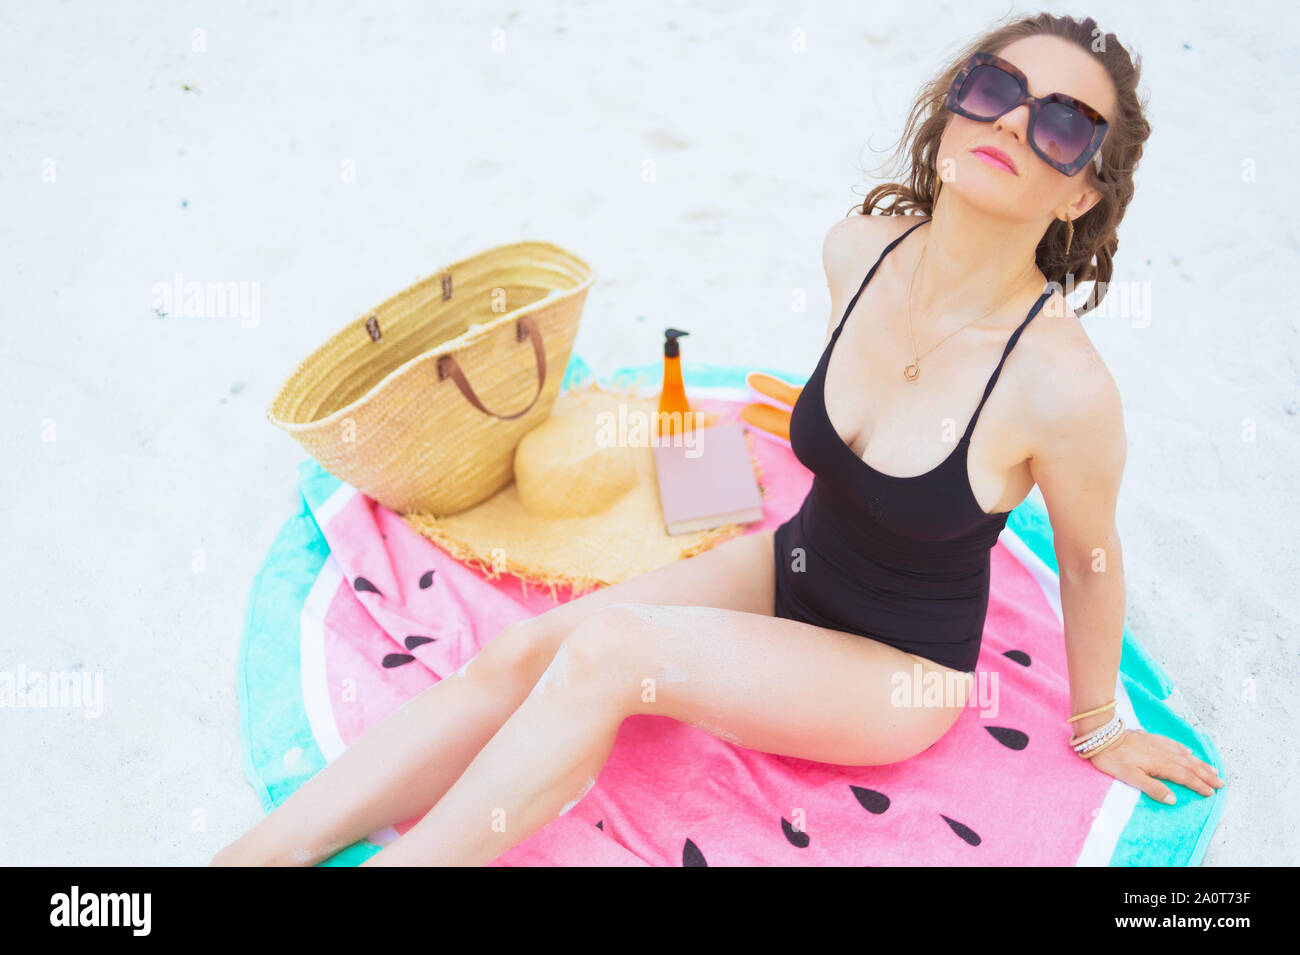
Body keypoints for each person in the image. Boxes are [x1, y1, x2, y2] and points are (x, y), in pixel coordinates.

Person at [212, 12, 1223, 867]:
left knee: (610, 650)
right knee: (523, 650)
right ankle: (252, 855)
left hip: (894, 668)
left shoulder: (1063, 385)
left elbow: (1090, 561)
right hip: (789, 565)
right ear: (957, 97)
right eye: (995, 82)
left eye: (1059, 123)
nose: (1010, 117)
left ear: (1082, 192)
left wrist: (1100, 726)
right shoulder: (859, 252)